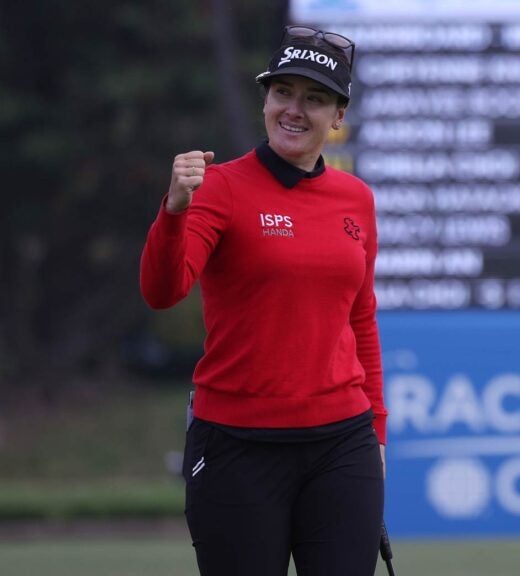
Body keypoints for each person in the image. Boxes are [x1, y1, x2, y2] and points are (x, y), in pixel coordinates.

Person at [140, 25, 386, 576]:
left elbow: (360, 320)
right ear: (266, 99)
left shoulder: (356, 198)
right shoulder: (219, 187)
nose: (294, 110)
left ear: (338, 116)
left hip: (343, 443)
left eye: (315, 98)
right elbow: (162, 291)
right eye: (283, 93)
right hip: (237, 444)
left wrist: (378, 434)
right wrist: (175, 209)